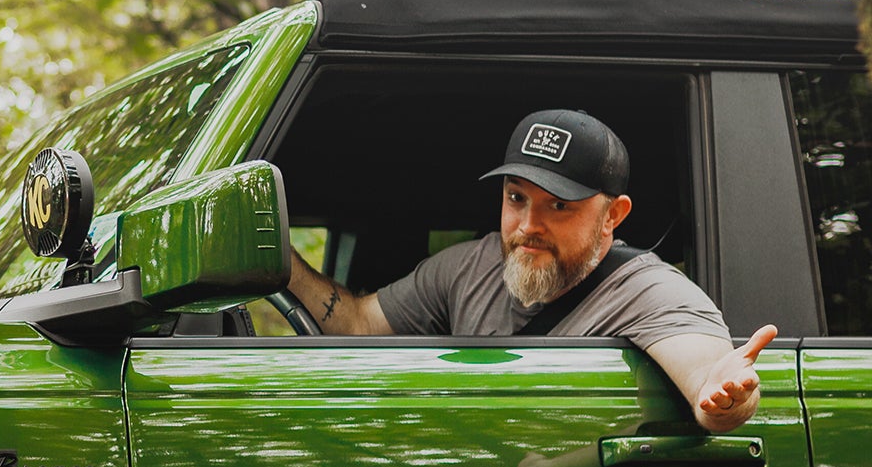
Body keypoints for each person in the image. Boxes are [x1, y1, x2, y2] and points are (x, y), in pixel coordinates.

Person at [283, 107, 777, 433]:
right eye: (516, 198)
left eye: (559, 206)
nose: (527, 226)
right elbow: (358, 325)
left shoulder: (649, 291)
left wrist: (726, 397)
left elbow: (707, 379)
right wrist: (281, 263)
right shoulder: (469, 266)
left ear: (614, 216)